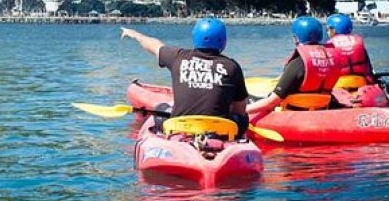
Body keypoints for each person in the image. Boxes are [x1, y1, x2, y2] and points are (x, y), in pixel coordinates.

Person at [121, 18, 249, 138]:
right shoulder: (232, 67)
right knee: (243, 119)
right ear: (223, 41)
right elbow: (240, 109)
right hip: (219, 130)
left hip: (180, 127)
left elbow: (154, 45)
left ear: (195, 37)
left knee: (161, 108)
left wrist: (134, 34)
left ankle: (166, 139)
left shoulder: (178, 57)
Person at [247, 16, 345, 119]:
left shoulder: (297, 64)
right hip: (321, 109)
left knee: (247, 98)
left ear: (297, 38)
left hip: (294, 114)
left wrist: (243, 111)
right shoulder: (332, 60)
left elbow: (271, 102)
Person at [326, 13, 389, 107]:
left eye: (328, 29)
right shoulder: (359, 46)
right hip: (361, 84)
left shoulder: (329, 47)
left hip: (338, 86)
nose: (328, 32)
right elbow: (368, 69)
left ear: (334, 30)